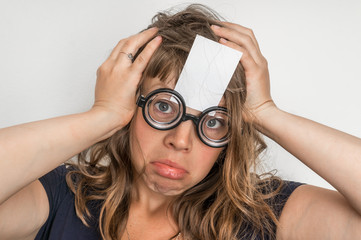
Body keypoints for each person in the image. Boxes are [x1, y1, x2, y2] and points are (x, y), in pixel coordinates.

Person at [0, 4, 360, 240]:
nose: (181, 140)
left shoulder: (265, 215)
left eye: (213, 122)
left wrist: (266, 111)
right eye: (164, 107)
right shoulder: (65, 197)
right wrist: (102, 116)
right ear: (131, 107)